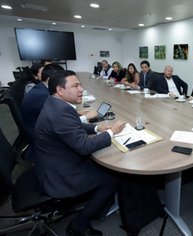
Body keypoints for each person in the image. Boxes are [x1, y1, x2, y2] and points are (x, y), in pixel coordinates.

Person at [34, 70, 126, 236]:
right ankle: (79, 224)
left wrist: (97, 128)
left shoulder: (55, 103)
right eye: (75, 86)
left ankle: (97, 208)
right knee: (112, 179)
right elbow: (84, 146)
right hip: (59, 173)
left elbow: (73, 125)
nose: (81, 89)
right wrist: (112, 132)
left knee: (103, 164)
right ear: (60, 90)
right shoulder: (60, 112)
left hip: (52, 160)